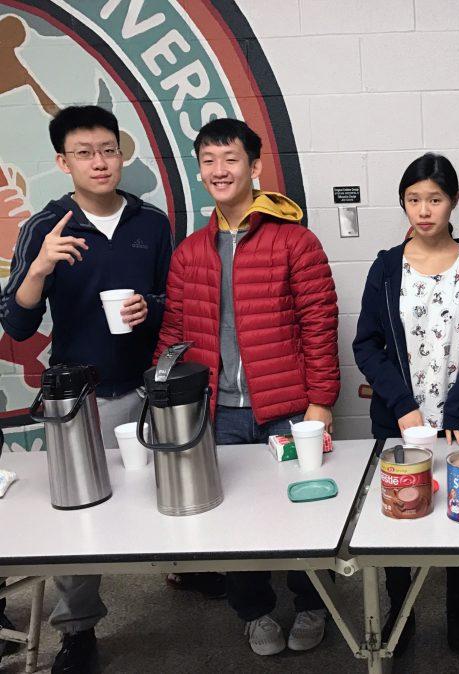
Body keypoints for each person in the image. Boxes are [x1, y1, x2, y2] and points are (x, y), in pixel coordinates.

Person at [155, 117, 340, 657]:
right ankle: (255, 612)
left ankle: (311, 604)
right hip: (219, 414)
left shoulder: (295, 242)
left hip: (287, 412)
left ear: (254, 167)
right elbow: (173, 335)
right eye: (209, 161)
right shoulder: (190, 251)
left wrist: (321, 403)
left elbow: (319, 324)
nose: (219, 170)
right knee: (232, 524)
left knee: (303, 514)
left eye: (231, 159)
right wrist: (168, 400)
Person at [0, 105, 173, 673]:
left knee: (163, 490)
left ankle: (184, 569)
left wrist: (150, 307)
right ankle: (77, 629)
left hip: (148, 387)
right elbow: (18, 325)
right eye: (84, 153)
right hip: (77, 396)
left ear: (121, 154)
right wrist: (39, 269)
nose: (100, 162)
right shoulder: (45, 227)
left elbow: (174, 305)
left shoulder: (151, 223)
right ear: (62, 161)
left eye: (108, 150)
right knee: (78, 514)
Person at [353, 153, 459, 655]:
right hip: (403, 423)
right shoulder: (385, 268)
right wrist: (402, 404)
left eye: (434, 199)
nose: (424, 210)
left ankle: (458, 603)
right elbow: (367, 344)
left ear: (453, 202)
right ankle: (401, 605)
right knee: (404, 511)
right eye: (414, 199)